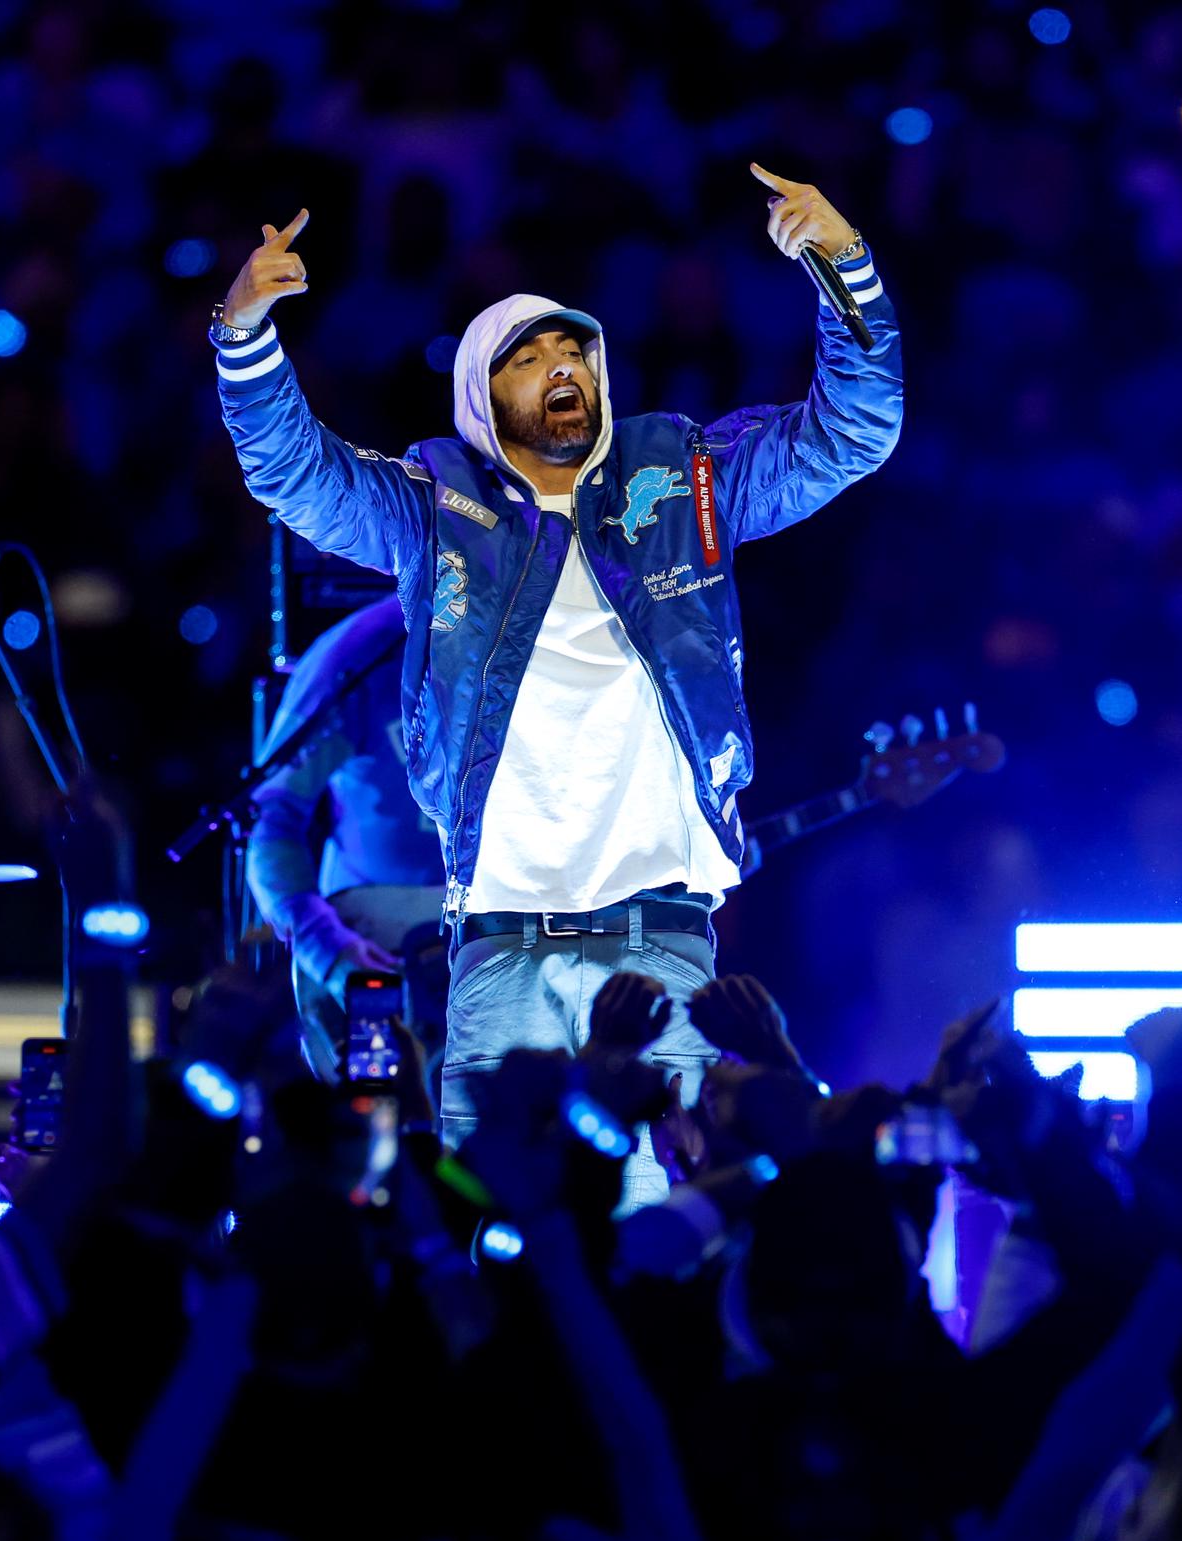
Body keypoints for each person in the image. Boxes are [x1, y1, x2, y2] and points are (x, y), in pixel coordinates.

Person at [209, 168, 903, 1202]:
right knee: (501, 1248)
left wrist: (847, 268)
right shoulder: (437, 507)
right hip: (498, 953)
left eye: (572, 347)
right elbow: (293, 473)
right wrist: (245, 341)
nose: (559, 366)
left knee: (670, 1243)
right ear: (484, 403)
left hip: (660, 944)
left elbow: (853, 433)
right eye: (527, 359)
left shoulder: (685, 481)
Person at [244, 599, 446, 1077]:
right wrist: (327, 947)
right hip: (377, 952)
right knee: (375, 1113)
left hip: (505, 940)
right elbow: (272, 816)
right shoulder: (356, 654)